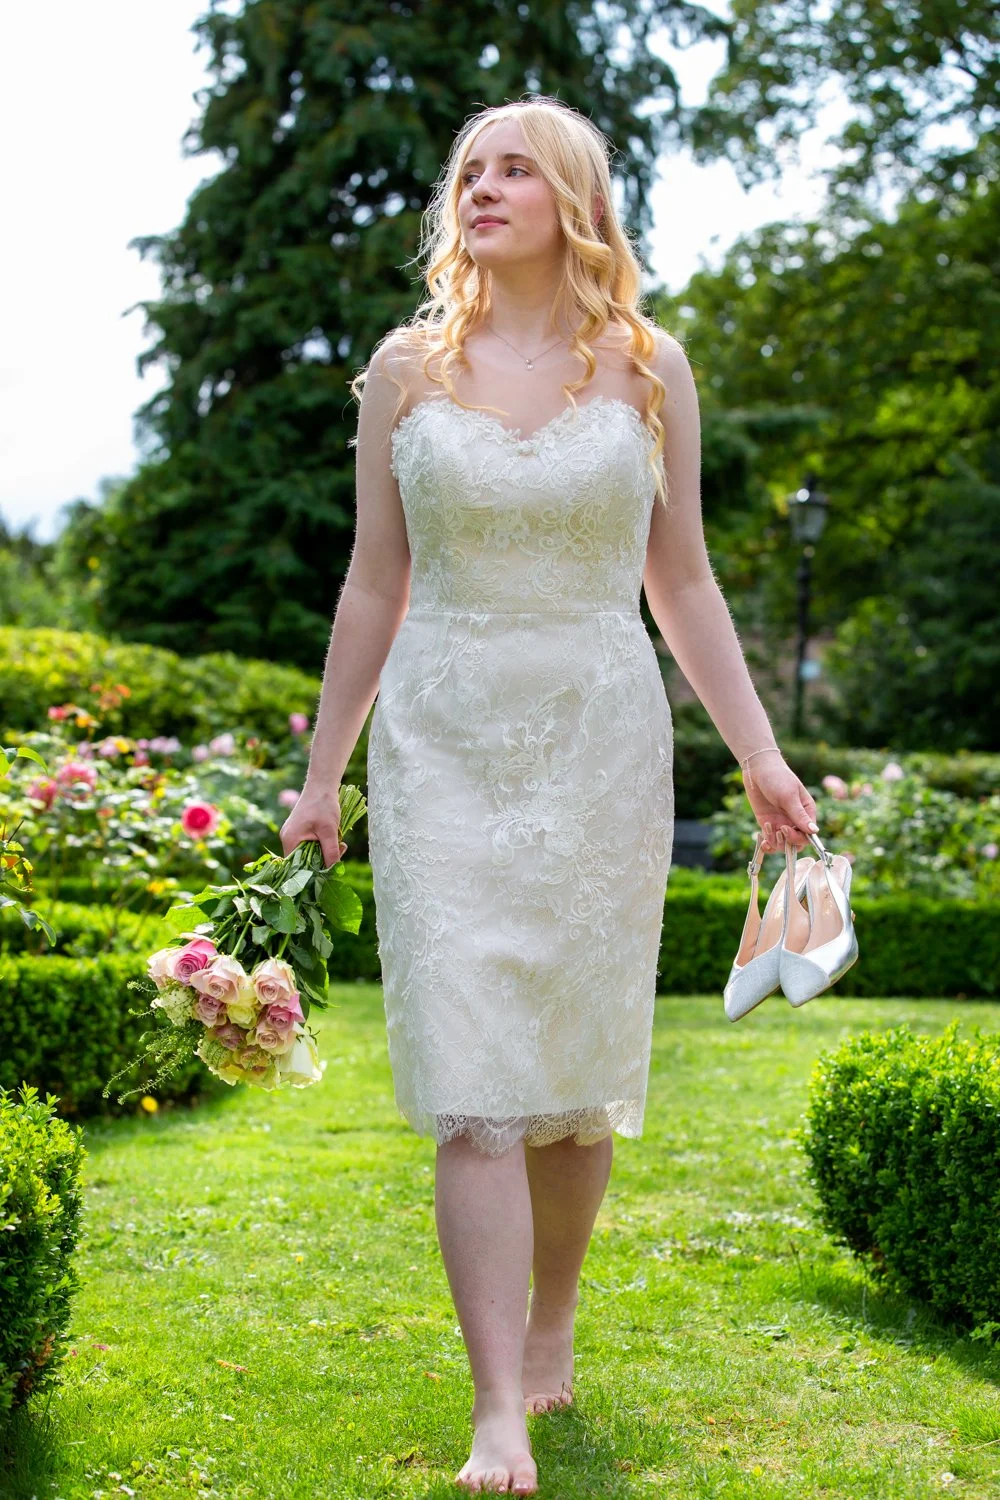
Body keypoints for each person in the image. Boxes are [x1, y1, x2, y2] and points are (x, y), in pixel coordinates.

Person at [280, 95, 819, 1497]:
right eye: (470, 169)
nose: (484, 186)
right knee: (475, 1090)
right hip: (442, 741)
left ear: (571, 195)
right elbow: (375, 582)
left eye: (515, 167)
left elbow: (682, 580)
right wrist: (320, 774)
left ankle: (554, 1318)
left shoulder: (648, 367)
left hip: (598, 739)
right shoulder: (407, 369)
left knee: (574, 1088)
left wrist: (759, 752)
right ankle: (493, 1411)